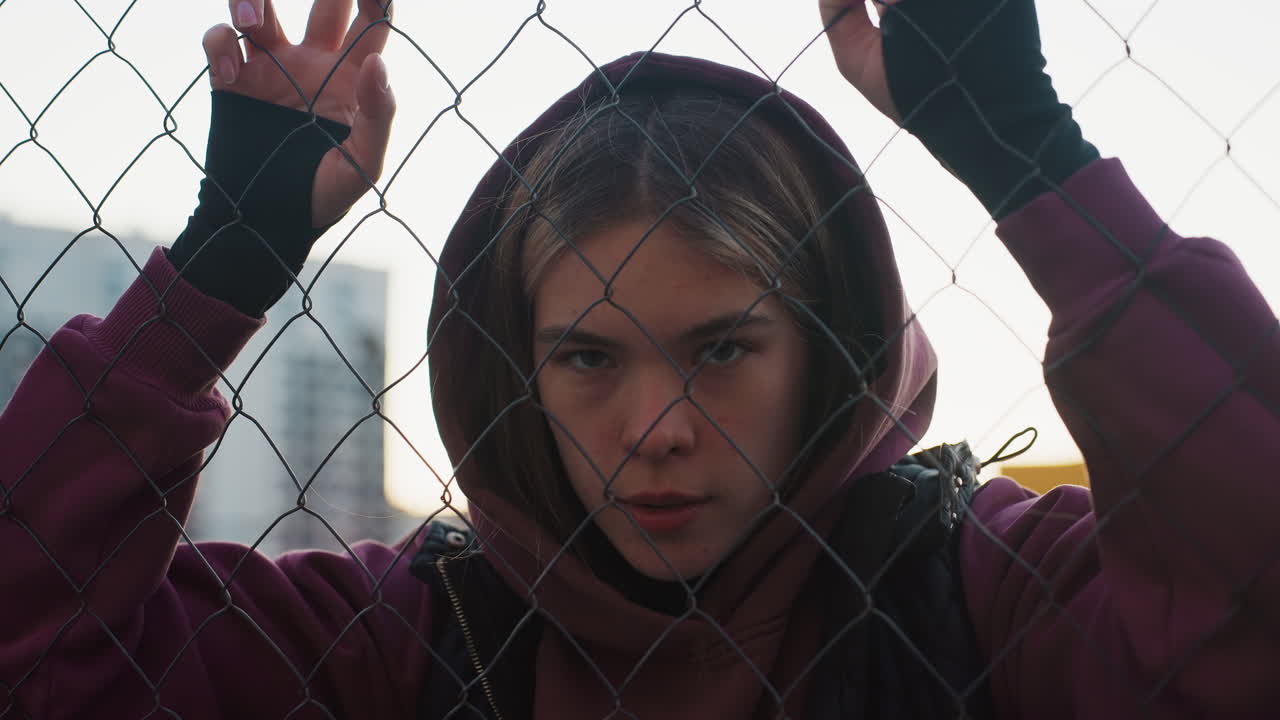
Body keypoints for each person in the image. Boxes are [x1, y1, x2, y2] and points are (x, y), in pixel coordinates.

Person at [1, 0, 1276, 717]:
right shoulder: (418, 641)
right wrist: (216, 271)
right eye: (587, 359)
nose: (656, 428)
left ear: (828, 351)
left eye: (721, 347)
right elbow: (38, 659)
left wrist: (1030, 154)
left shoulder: (974, 597)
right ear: (515, 372)